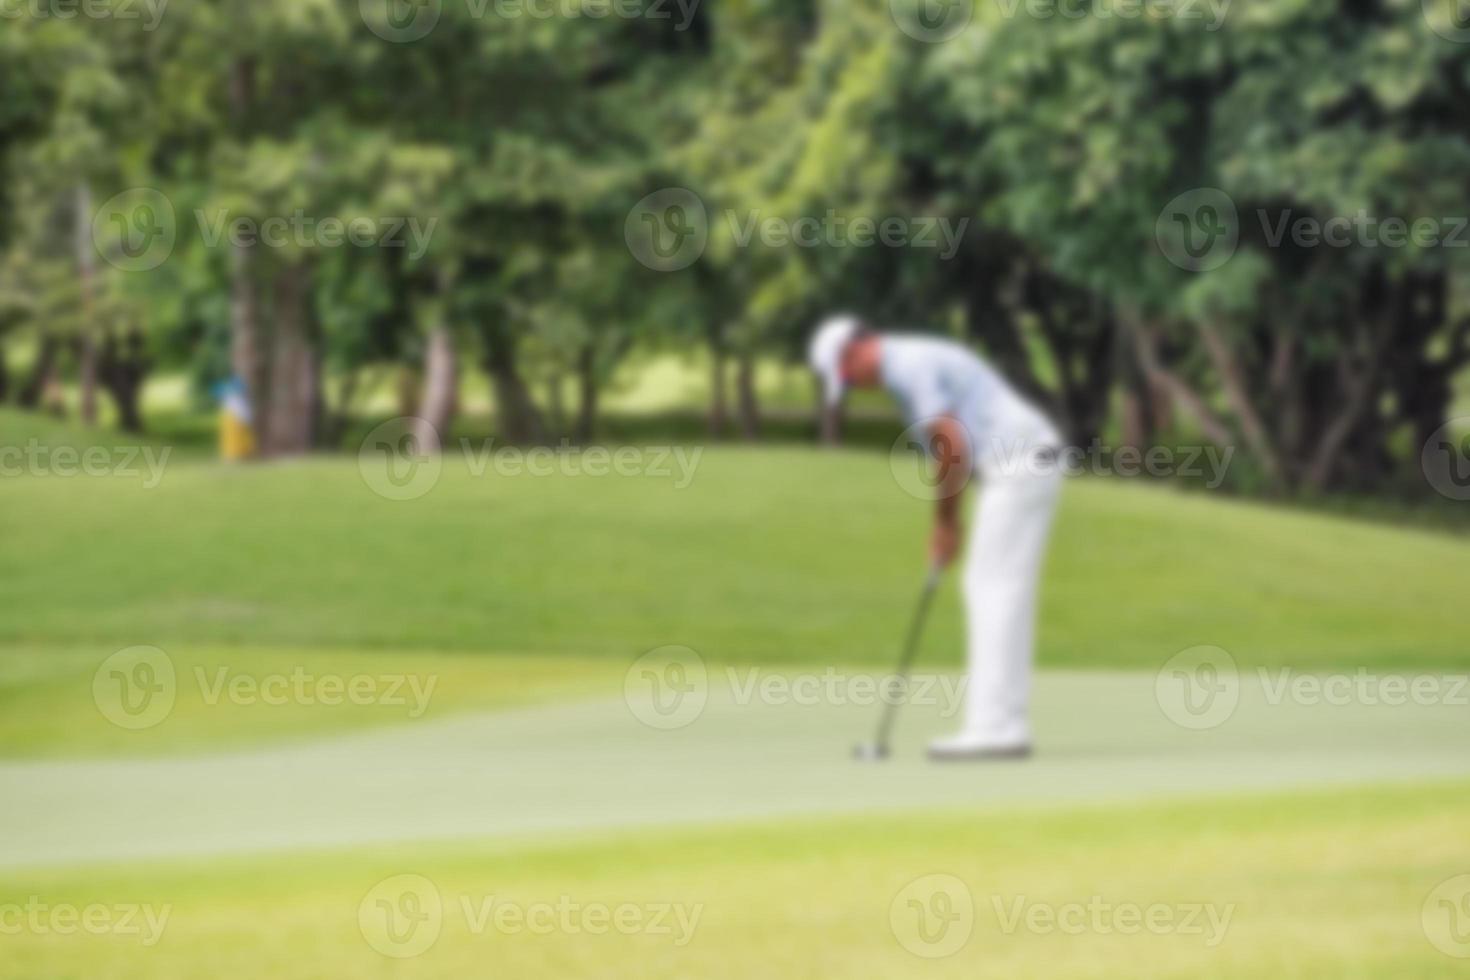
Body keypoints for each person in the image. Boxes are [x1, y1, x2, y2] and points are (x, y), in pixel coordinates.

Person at [809, 315, 1064, 760]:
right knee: (999, 590)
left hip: (1018, 462)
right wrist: (950, 520)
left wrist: (946, 523)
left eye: (848, 377)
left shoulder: (909, 366)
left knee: (992, 589)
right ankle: (1005, 723)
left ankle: (997, 728)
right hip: (1020, 463)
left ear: (856, 351)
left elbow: (952, 445)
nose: (855, 386)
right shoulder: (907, 365)